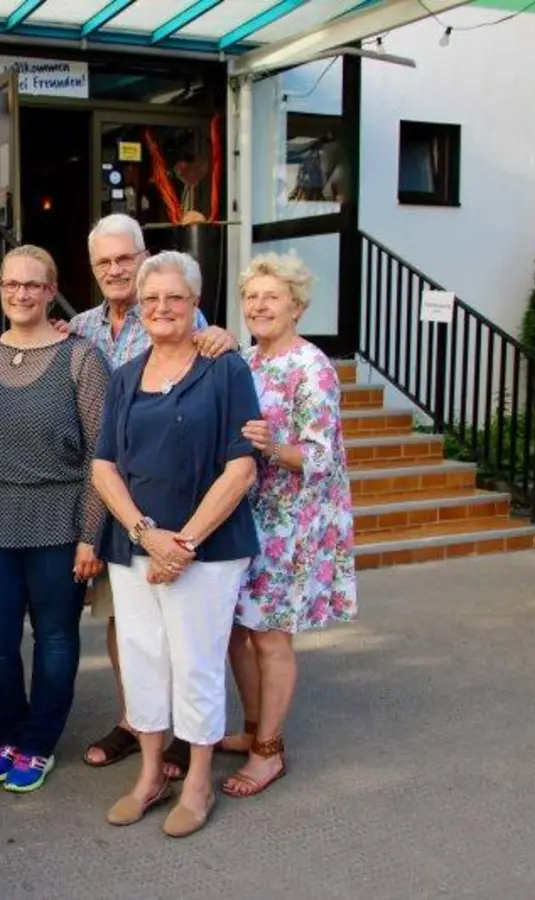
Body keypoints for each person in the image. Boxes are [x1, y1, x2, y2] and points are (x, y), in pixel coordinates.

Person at [91, 250, 260, 839]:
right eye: (151, 299)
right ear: (139, 307)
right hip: (135, 545)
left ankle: (198, 783)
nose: (162, 307)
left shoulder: (226, 370)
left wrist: (181, 545)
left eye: (174, 297)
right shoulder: (124, 377)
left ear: (195, 304)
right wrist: (146, 534)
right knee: (142, 660)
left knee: (196, 663)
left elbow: (241, 468)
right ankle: (149, 776)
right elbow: (104, 466)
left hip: (206, 550)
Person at [68, 213, 238, 780]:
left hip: (188, 512)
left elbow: (219, 371)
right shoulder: (81, 329)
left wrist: (179, 543)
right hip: (118, 509)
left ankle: (189, 743)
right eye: (105, 262)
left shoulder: (197, 331)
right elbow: (100, 452)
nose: (116, 269)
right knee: (128, 630)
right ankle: (138, 722)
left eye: (125, 258)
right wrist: (130, 530)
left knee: (189, 644)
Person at [0, 245, 109, 793]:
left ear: (51, 291)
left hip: (58, 519)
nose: (20, 294)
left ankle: (39, 743)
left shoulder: (80, 358)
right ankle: (6, 733)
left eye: (32, 285)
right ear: (0, 289)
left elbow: (100, 453)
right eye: (11, 284)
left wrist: (90, 533)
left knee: (54, 638)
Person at [220, 251, 358, 798]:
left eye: (271, 297)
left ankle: (269, 751)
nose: (258, 305)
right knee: (236, 630)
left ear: (296, 306)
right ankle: (254, 729)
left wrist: (273, 447)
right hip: (244, 514)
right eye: (251, 297)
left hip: (289, 524)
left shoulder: (311, 367)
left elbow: (321, 456)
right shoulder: (246, 361)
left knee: (270, 636)